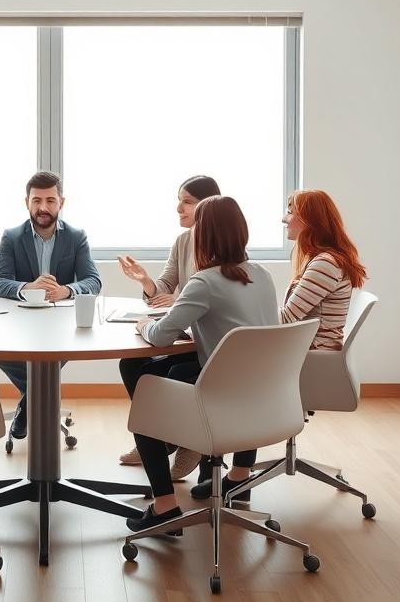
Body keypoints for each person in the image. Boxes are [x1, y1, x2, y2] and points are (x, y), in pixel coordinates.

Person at [189, 188, 368, 502]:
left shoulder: (324, 264)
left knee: (233, 371)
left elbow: (285, 319)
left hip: (311, 361)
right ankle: (237, 475)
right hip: (309, 354)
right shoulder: (322, 259)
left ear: (309, 220)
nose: (284, 219)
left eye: (290, 212)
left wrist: (236, 315)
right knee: (241, 366)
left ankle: (226, 469)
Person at [125, 195, 278, 533]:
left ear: (203, 237)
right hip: (265, 397)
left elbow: (160, 336)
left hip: (221, 400)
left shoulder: (205, 281)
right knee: (162, 371)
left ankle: (165, 505)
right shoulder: (262, 275)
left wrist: (143, 325)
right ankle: (235, 474)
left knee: (145, 394)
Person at [115, 175, 221, 480]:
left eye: (187, 201)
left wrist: (178, 301)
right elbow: (165, 287)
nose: (179, 208)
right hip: (187, 334)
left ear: (208, 205)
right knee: (131, 364)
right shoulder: (183, 242)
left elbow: (208, 295)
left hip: (209, 341)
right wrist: (146, 281)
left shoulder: (224, 246)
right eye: (179, 200)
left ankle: (183, 440)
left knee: (171, 371)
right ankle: (156, 438)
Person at [0, 171, 102, 438]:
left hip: (60, 324)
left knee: (56, 353)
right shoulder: (12, 237)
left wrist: (66, 290)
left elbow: (93, 281)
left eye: (50, 200)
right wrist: (28, 288)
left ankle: (27, 405)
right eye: (36, 200)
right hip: (19, 322)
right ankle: (38, 398)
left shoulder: (76, 237)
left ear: (61, 202)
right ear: (26, 202)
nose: (43, 207)